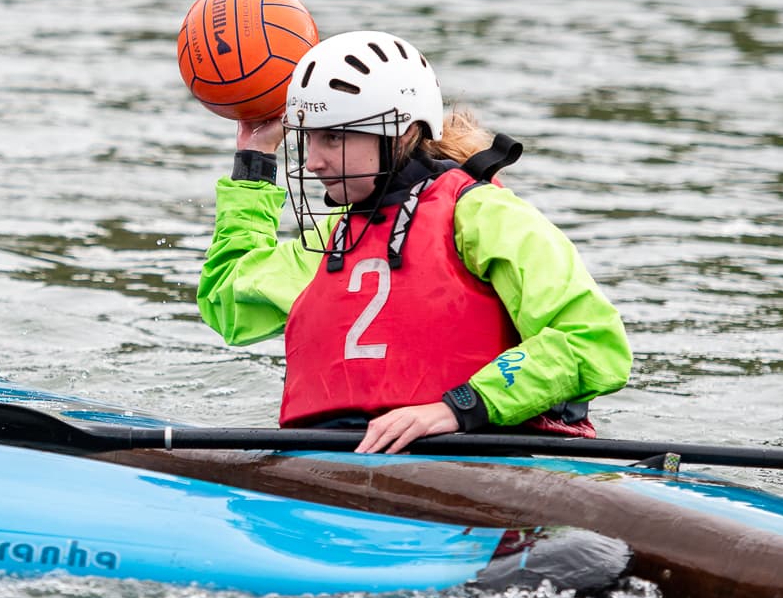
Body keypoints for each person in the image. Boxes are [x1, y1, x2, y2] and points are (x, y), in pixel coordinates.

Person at [198, 29, 630, 455]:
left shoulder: (484, 216)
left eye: (334, 136)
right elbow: (229, 306)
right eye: (310, 137)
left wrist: (456, 408)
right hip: (335, 458)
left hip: (475, 453)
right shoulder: (336, 236)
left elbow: (592, 341)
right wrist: (255, 161)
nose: (312, 161)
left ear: (401, 133)